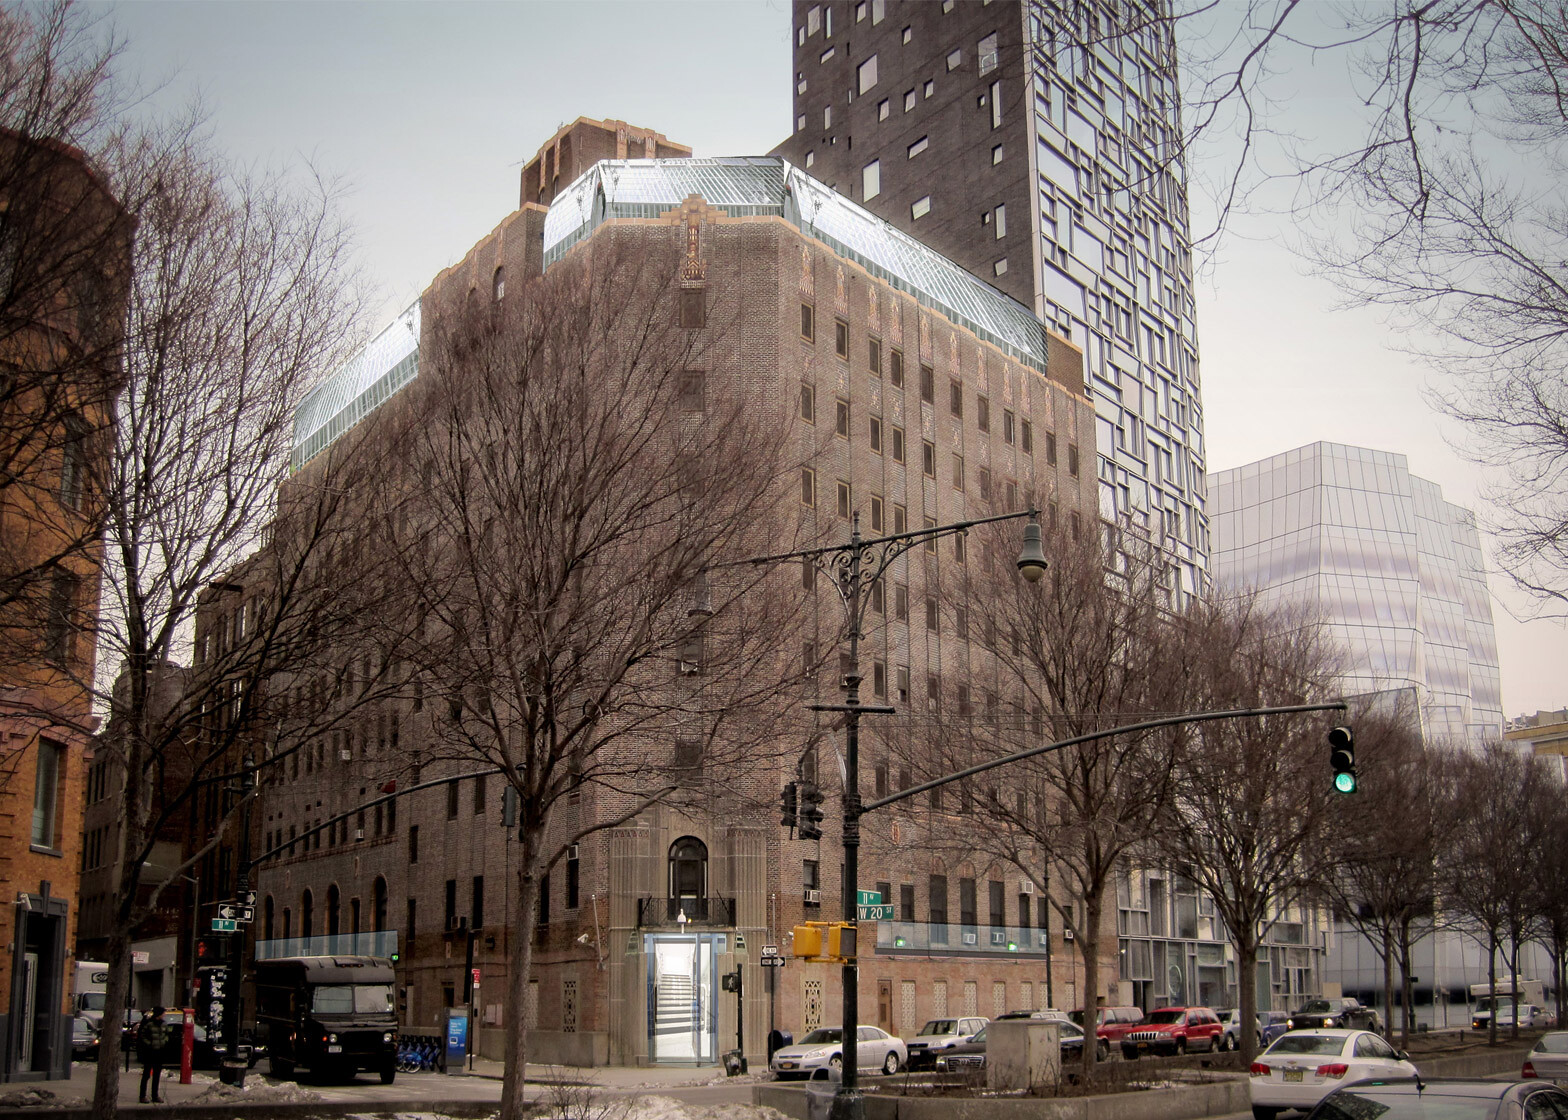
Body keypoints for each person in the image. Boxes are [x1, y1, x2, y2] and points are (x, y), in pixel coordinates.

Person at [135, 1007, 170, 1103]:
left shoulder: (164, 1024)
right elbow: (142, 1036)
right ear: (159, 1014)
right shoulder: (149, 1024)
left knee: (157, 1075)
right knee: (146, 1075)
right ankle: (142, 1096)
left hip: (159, 1052)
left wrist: (164, 1042)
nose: (164, 1014)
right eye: (163, 1013)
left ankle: (155, 1095)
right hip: (150, 1052)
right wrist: (149, 1044)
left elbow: (167, 1035)